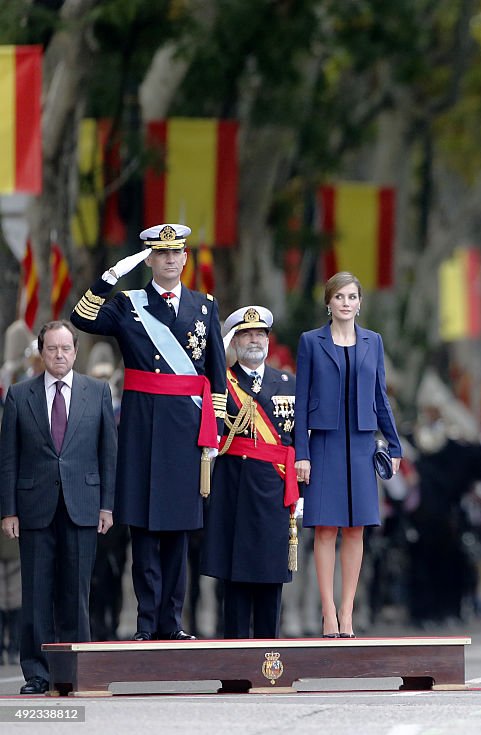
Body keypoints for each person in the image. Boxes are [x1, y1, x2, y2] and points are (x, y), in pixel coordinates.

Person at [70, 223, 226, 641]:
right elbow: (80, 318)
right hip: (142, 429)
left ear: (185, 258)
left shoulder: (204, 307)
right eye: (161, 254)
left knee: (178, 532)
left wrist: (213, 437)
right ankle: (145, 624)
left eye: (177, 253)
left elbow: (216, 376)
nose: (170, 260)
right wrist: (110, 277)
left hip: (187, 431)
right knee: (143, 532)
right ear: (150, 259)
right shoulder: (127, 304)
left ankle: (171, 624)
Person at [0, 321, 116, 694]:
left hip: (83, 505)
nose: (60, 355)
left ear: (76, 351)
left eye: (66, 348)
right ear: (41, 352)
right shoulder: (19, 395)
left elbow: (108, 456)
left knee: (76, 592)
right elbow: (9, 459)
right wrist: (9, 511)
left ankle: (75, 672)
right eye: (52, 349)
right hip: (34, 509)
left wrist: (107, 507)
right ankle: (37, 673)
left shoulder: (96, 392)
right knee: (36, 594)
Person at [294, 272, 402, 638]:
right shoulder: (311, 342)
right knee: (325, 529)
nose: (345, 302)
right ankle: (327, 612)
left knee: (356, 529)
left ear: (359, 303)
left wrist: (394, 441)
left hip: (360, 443)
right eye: (339, 296)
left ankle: (347, 612)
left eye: (352, 296)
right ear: (328, 302)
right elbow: (301, 402)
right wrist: (301, 454)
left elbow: (379, 396)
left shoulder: (374, 342)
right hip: (324, 441)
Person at [201, 306, 299, 638]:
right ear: (235, 341)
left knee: (272, 577)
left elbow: (299, 443)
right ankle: (236, 663)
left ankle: (270, 659)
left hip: (275, 492)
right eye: (246, 334)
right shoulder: (220, 381)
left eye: (260, 334)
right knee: (237, 579)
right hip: (235, 492)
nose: (254, 340)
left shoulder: (288, 383)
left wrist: (301, 496)